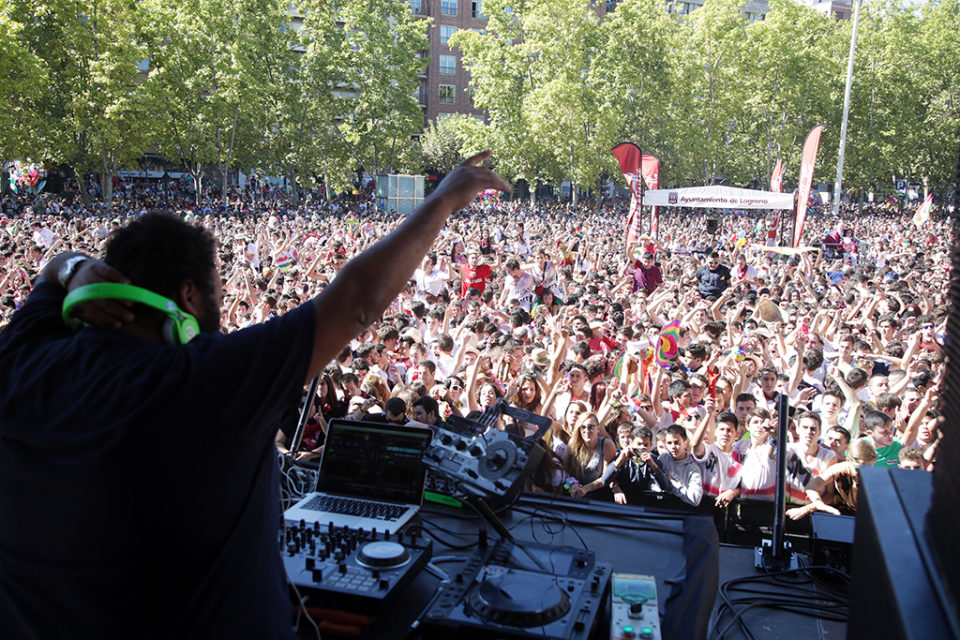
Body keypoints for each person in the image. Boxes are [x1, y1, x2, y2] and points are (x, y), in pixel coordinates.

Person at [0, 153, 508, 638]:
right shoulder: (205, 380)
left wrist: (75, 267)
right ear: (189, 296)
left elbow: (54, 271)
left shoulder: (20, 357)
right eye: (216, 292)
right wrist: (443, 200)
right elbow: (357, 304)